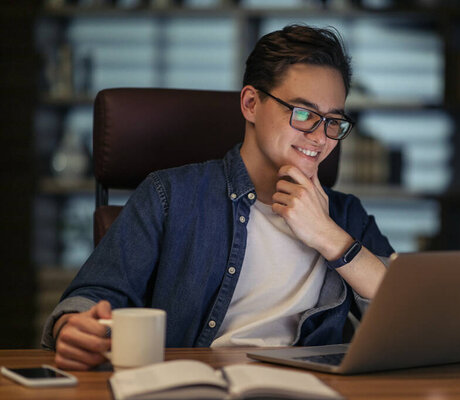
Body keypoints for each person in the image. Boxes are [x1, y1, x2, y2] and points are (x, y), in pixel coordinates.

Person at [42, 24, 394, 370]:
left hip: (310, 389)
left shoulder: (346, 216)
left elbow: (406, 312)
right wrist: (71, 326)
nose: (320, 137)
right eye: (303, 114)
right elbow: (92, 296)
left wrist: (327, 235)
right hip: (196, 387)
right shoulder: (170, 196)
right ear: (251, 103)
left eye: (333, 121)